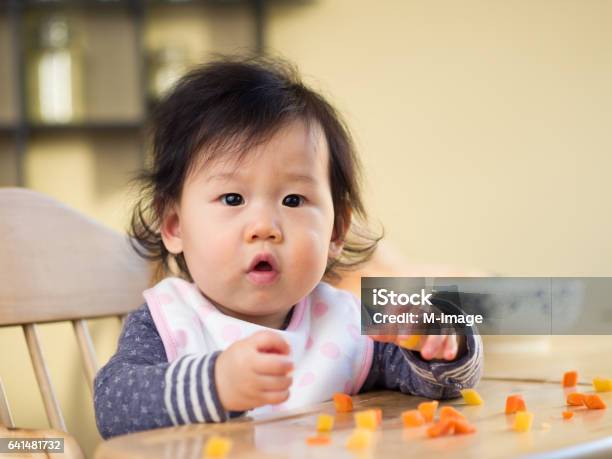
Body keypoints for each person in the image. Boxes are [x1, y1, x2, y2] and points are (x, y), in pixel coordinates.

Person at [94, 56, 483, 439]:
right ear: (174, 224)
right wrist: (217, 383)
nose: (264, 227)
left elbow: (440, 386)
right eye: (232, 199)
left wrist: (440, 342)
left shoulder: (345, 321)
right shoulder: (169, 321)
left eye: (293, 200)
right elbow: (113, 406)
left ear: (336, 231)